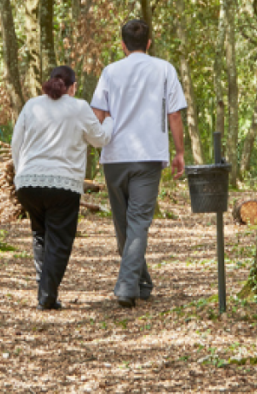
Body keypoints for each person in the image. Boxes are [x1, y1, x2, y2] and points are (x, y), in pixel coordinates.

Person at [91, 19, 186, 308]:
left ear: (122, 45)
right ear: (149, 43)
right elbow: (174, 116)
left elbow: (97, 113)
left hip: (115, 156)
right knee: (134, 225)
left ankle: (128, 286)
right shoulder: (164, 69)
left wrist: (99, 146)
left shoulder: (110, 72)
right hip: (148, 156)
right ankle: (138, 282)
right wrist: (179, 152)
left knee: (127, 225)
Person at [12, 65, 114, 310]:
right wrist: (109, 121)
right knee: (60, 240)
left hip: (28, 183)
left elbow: (17, 142)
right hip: (62, 185)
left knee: (40, 234)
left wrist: (19, 174)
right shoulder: (79, 107)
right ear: (73, 86)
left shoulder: (32, 105)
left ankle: (45, 289)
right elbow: (100, 139)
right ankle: (46, 294)